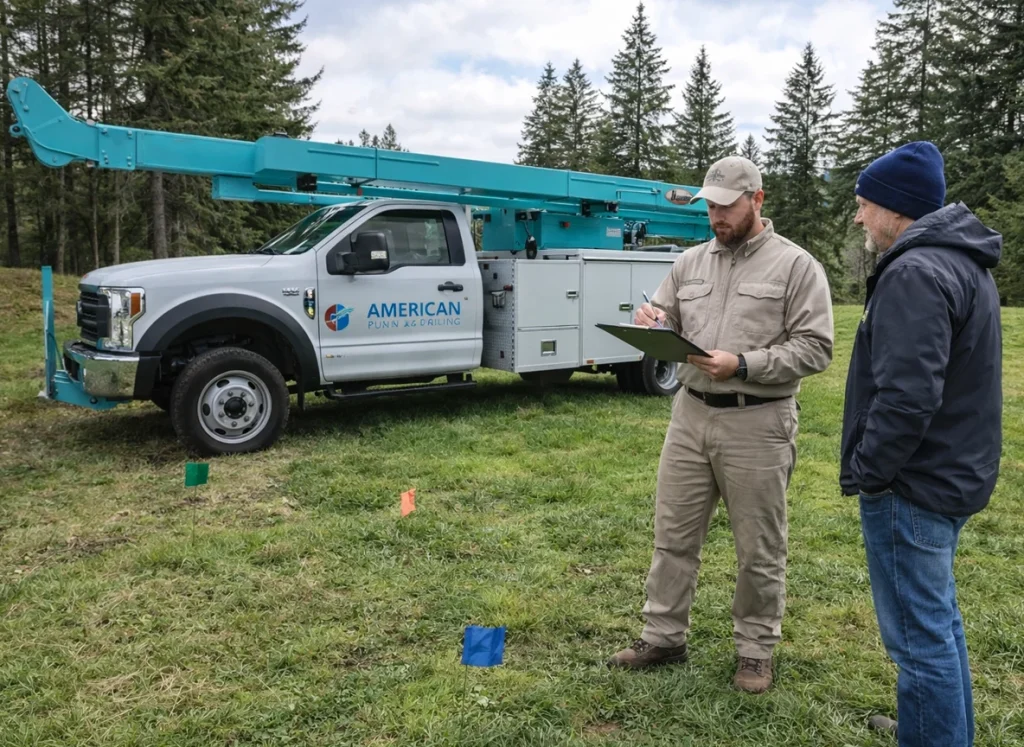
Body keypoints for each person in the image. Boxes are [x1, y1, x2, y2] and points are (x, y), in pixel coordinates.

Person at [607, 156, 834, 694]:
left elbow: (816, 347)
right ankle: (663, 635)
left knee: (759, 545)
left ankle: (755, 651)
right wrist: (654, 321)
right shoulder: (689, 263)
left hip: (757, 420)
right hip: (690, 414)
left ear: (758, 200)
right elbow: (667, 316)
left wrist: (745, 364)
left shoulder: (797, 267)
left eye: (727, 207)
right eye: (710, 206)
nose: (716, 217)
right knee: (673, 535)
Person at [840, 141, 1002, 745]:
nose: (859, 217)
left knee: (919, 638)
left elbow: (907, 397)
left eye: (864, 204)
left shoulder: (914, 271)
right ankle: (933, 721)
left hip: (915, 485)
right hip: (952, 473)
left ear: (895, 208)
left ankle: (932, 728)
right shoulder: (962, 262)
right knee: (938, 623)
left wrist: (872, 470)